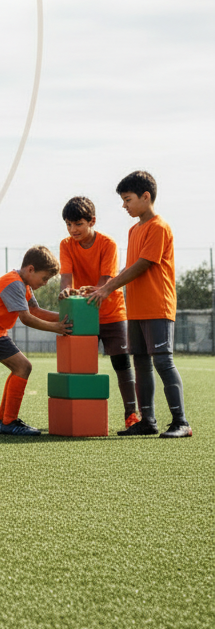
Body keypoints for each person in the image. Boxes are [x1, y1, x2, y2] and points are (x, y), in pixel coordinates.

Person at [87, 171, 191, 437]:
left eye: (128, 199)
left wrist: (108, 288)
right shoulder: (134, 230)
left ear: (146, 197)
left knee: (163, 363)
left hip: (158, 306)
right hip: (136, 309)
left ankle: (181, 422)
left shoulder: (159, 226)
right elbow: (130, 267)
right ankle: (148, 421)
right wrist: (103, 286)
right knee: (141, 363)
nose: (124, 205)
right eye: (123, 200)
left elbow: (144, 265)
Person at [0, 246, 71, 436]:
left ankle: (1, 420)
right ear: (31, 270)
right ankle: (9, 422)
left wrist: (67, 316)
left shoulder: (25, 285)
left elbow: (35, 312)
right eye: (44, 278)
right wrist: (56, 328)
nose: (46, 283)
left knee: (19, 368)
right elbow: (26, 318)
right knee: (24, 367)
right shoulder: (14, 284)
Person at [58, 195, 138, 429]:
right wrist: (65, 293)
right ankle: (80, 415)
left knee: (121, 364)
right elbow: (65, 278)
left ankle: (131, 415)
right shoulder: (65, 245)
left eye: (78, 224)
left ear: (92, 221)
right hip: (82, 316)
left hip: (112, 313)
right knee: (79, 368)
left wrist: (93, 291)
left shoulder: (108, 244)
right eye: (68, 225)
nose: (73, 230)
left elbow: (105, 282)